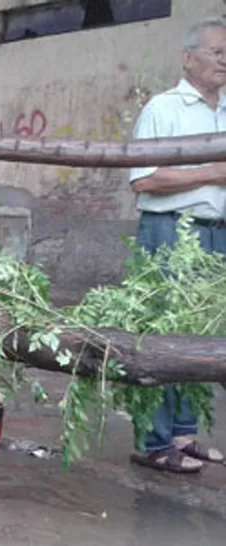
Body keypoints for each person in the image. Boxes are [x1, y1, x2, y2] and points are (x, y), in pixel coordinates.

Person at [128, 16, 226, 473]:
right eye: (217, 52)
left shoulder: (225, 109)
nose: (225, 61)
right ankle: (153, 441)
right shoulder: (162, 109)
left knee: (202, 332)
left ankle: (184, 435)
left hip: (215, 231)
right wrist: (212, 172)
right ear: (188, 59)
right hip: (170, 229)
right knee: (161, 333)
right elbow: (143, 179)